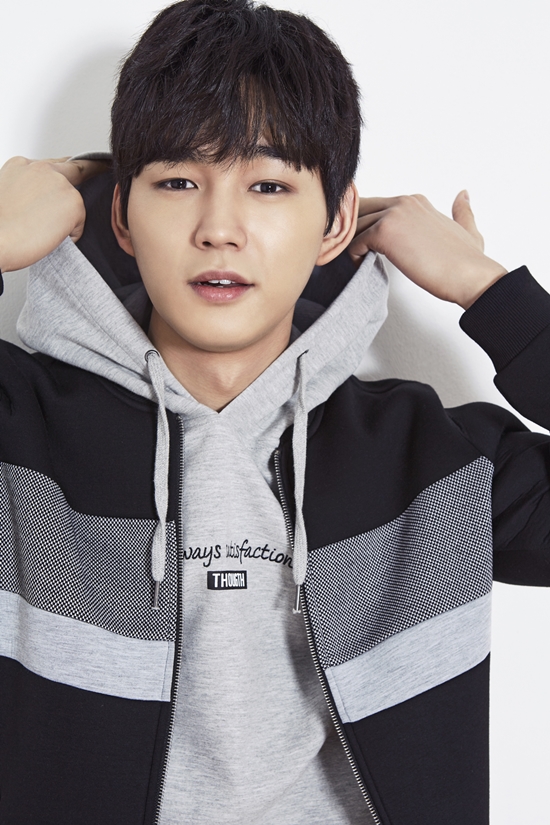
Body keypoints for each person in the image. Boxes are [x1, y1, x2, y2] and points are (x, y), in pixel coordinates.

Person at [0, 1, 548, 823]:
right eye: (178, 181)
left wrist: (491, 291)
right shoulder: (20, 444)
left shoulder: (434, 464)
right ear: (122, 216)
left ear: (335, 221)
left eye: (268, 184)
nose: (219, 228)